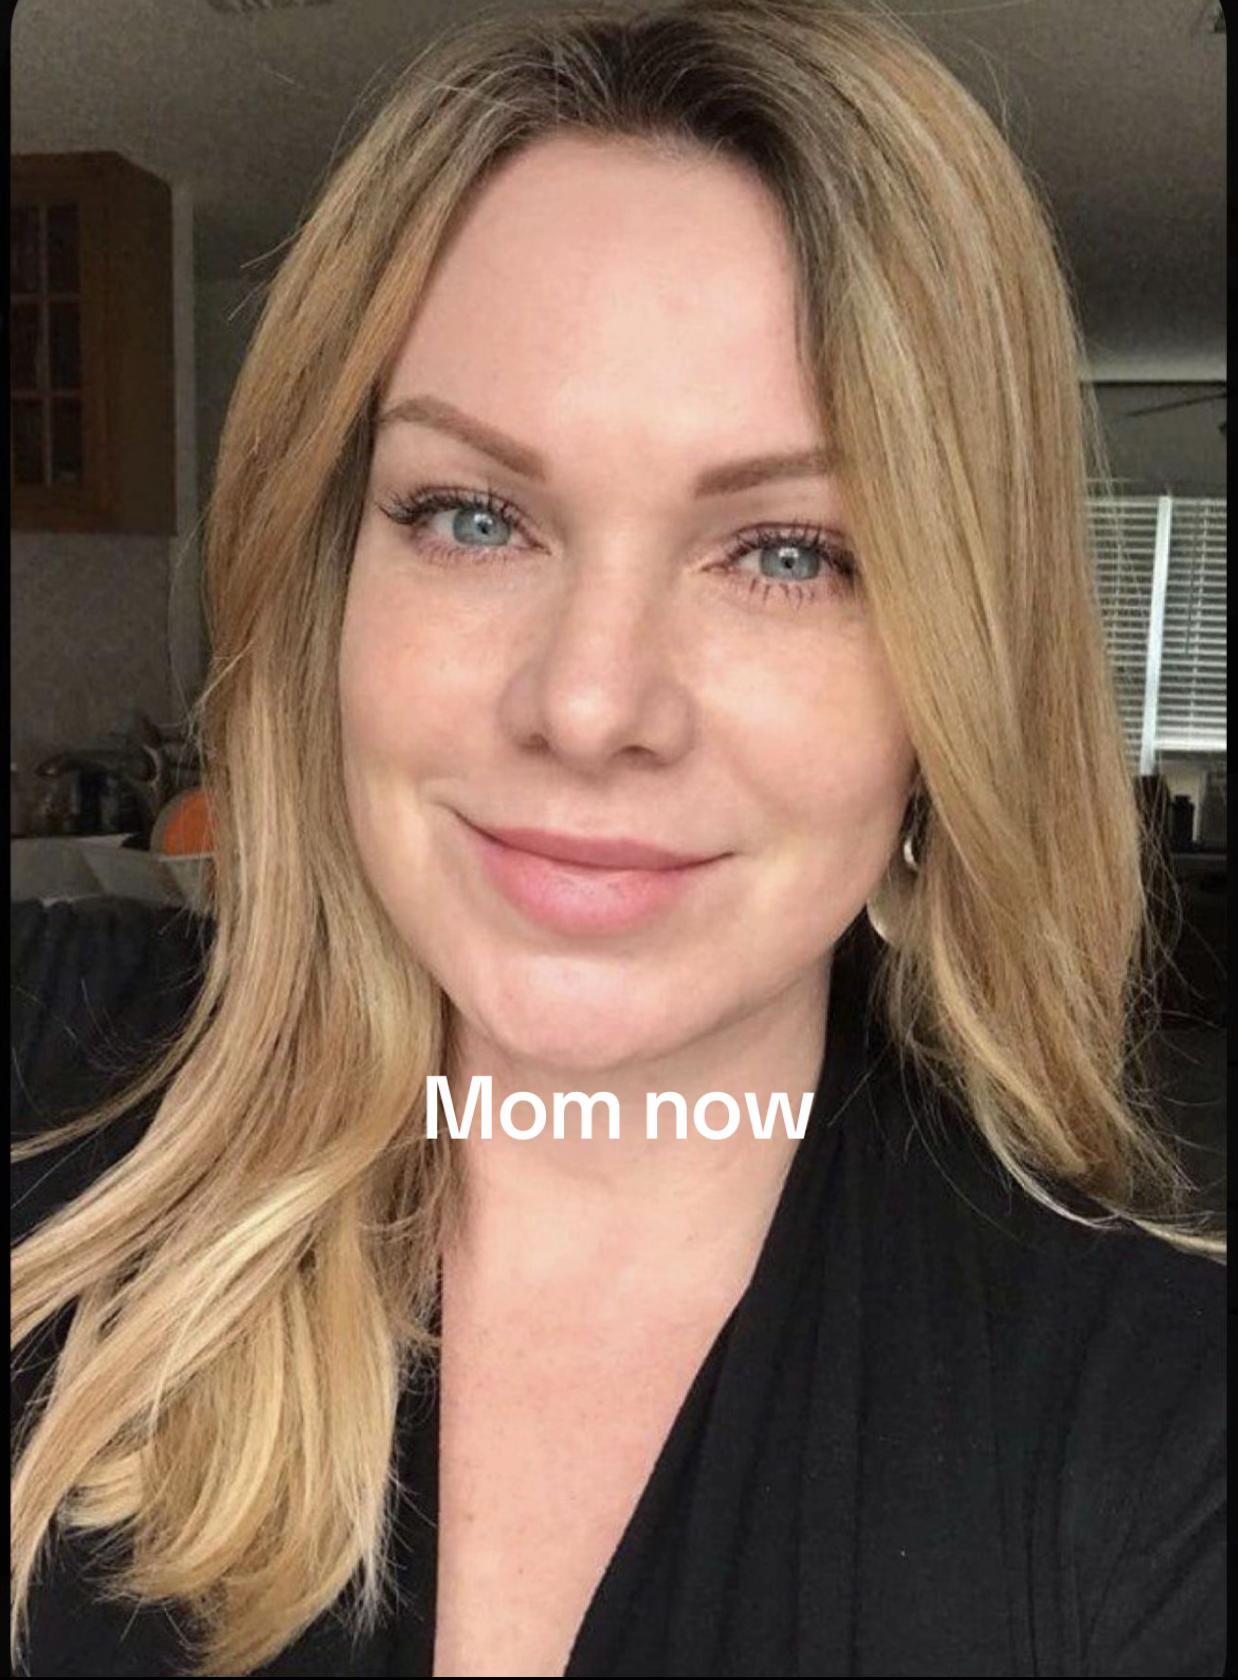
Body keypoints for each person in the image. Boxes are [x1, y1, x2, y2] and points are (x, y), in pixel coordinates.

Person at [10, 2, 1225, 1676]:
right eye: (471, 515)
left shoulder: (1161, 1434)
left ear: (956, 682)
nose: (588, 705)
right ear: (325, 581)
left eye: (790, 553)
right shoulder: (52, 1080)